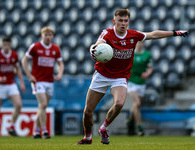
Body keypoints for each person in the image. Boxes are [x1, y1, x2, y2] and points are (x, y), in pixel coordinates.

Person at [77, 8, 188, 145]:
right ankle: (88, 138)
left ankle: (103, 128)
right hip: (102, 75)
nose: (123, 23)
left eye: (125, 21)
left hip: (120, 77)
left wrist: (174, 33)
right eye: (120, 21)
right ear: (114, 21)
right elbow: (98, 43)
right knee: (88, 111)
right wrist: (93, 48)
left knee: (118, 104)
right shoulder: (107, 33)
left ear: (128, 21)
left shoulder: (133, 35)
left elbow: (153, 34)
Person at [21, 26, 64, 139]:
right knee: (43, 104)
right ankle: (44, 131)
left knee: (42, 107)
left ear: (52, 36)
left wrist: (59, 74)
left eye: (50, 35)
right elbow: (24, 60)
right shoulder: (35, 47)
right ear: (42, 36)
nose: (48, 37)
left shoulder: (55, 48)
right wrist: (29, 75)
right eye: (46, 35)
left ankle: (36, 131)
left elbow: (60, 64)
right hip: (38, 80)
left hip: (49, 81)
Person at [0, 37, 26, 137]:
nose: (6, 46)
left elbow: (18, 69)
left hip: (11, 84)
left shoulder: (14, 55)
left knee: (19, 105)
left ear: (10, 45)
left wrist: (22, 83)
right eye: (4, 44)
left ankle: (11, 127)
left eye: (8, 44)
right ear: (1, 45)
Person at [127, 41, 152, 136]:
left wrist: (147, 73)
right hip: (131, 81)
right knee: (137, 103)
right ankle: (139, 128)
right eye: (138, 43)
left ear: (143, 44)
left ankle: (129, 120)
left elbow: (150, 67)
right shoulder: (131, 53)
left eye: (141, 43)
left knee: (137, 105)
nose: (139, 44)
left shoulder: (147, 54)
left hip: (141, 82)